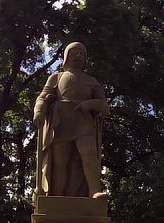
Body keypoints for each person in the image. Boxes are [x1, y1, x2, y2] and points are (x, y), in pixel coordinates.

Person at [34, 42, 110, 198]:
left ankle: (94, 190)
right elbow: (42, 97)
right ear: (66, 57)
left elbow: (105, 107)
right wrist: (39, 111)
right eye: (74, 53)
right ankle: (57, 197)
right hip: (60, 122)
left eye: (81, 54)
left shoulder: (91, 81)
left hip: (83, 123)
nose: (78, 56)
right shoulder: (56, 77)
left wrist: (89, 104)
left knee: (89, 154)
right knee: (60, 162)